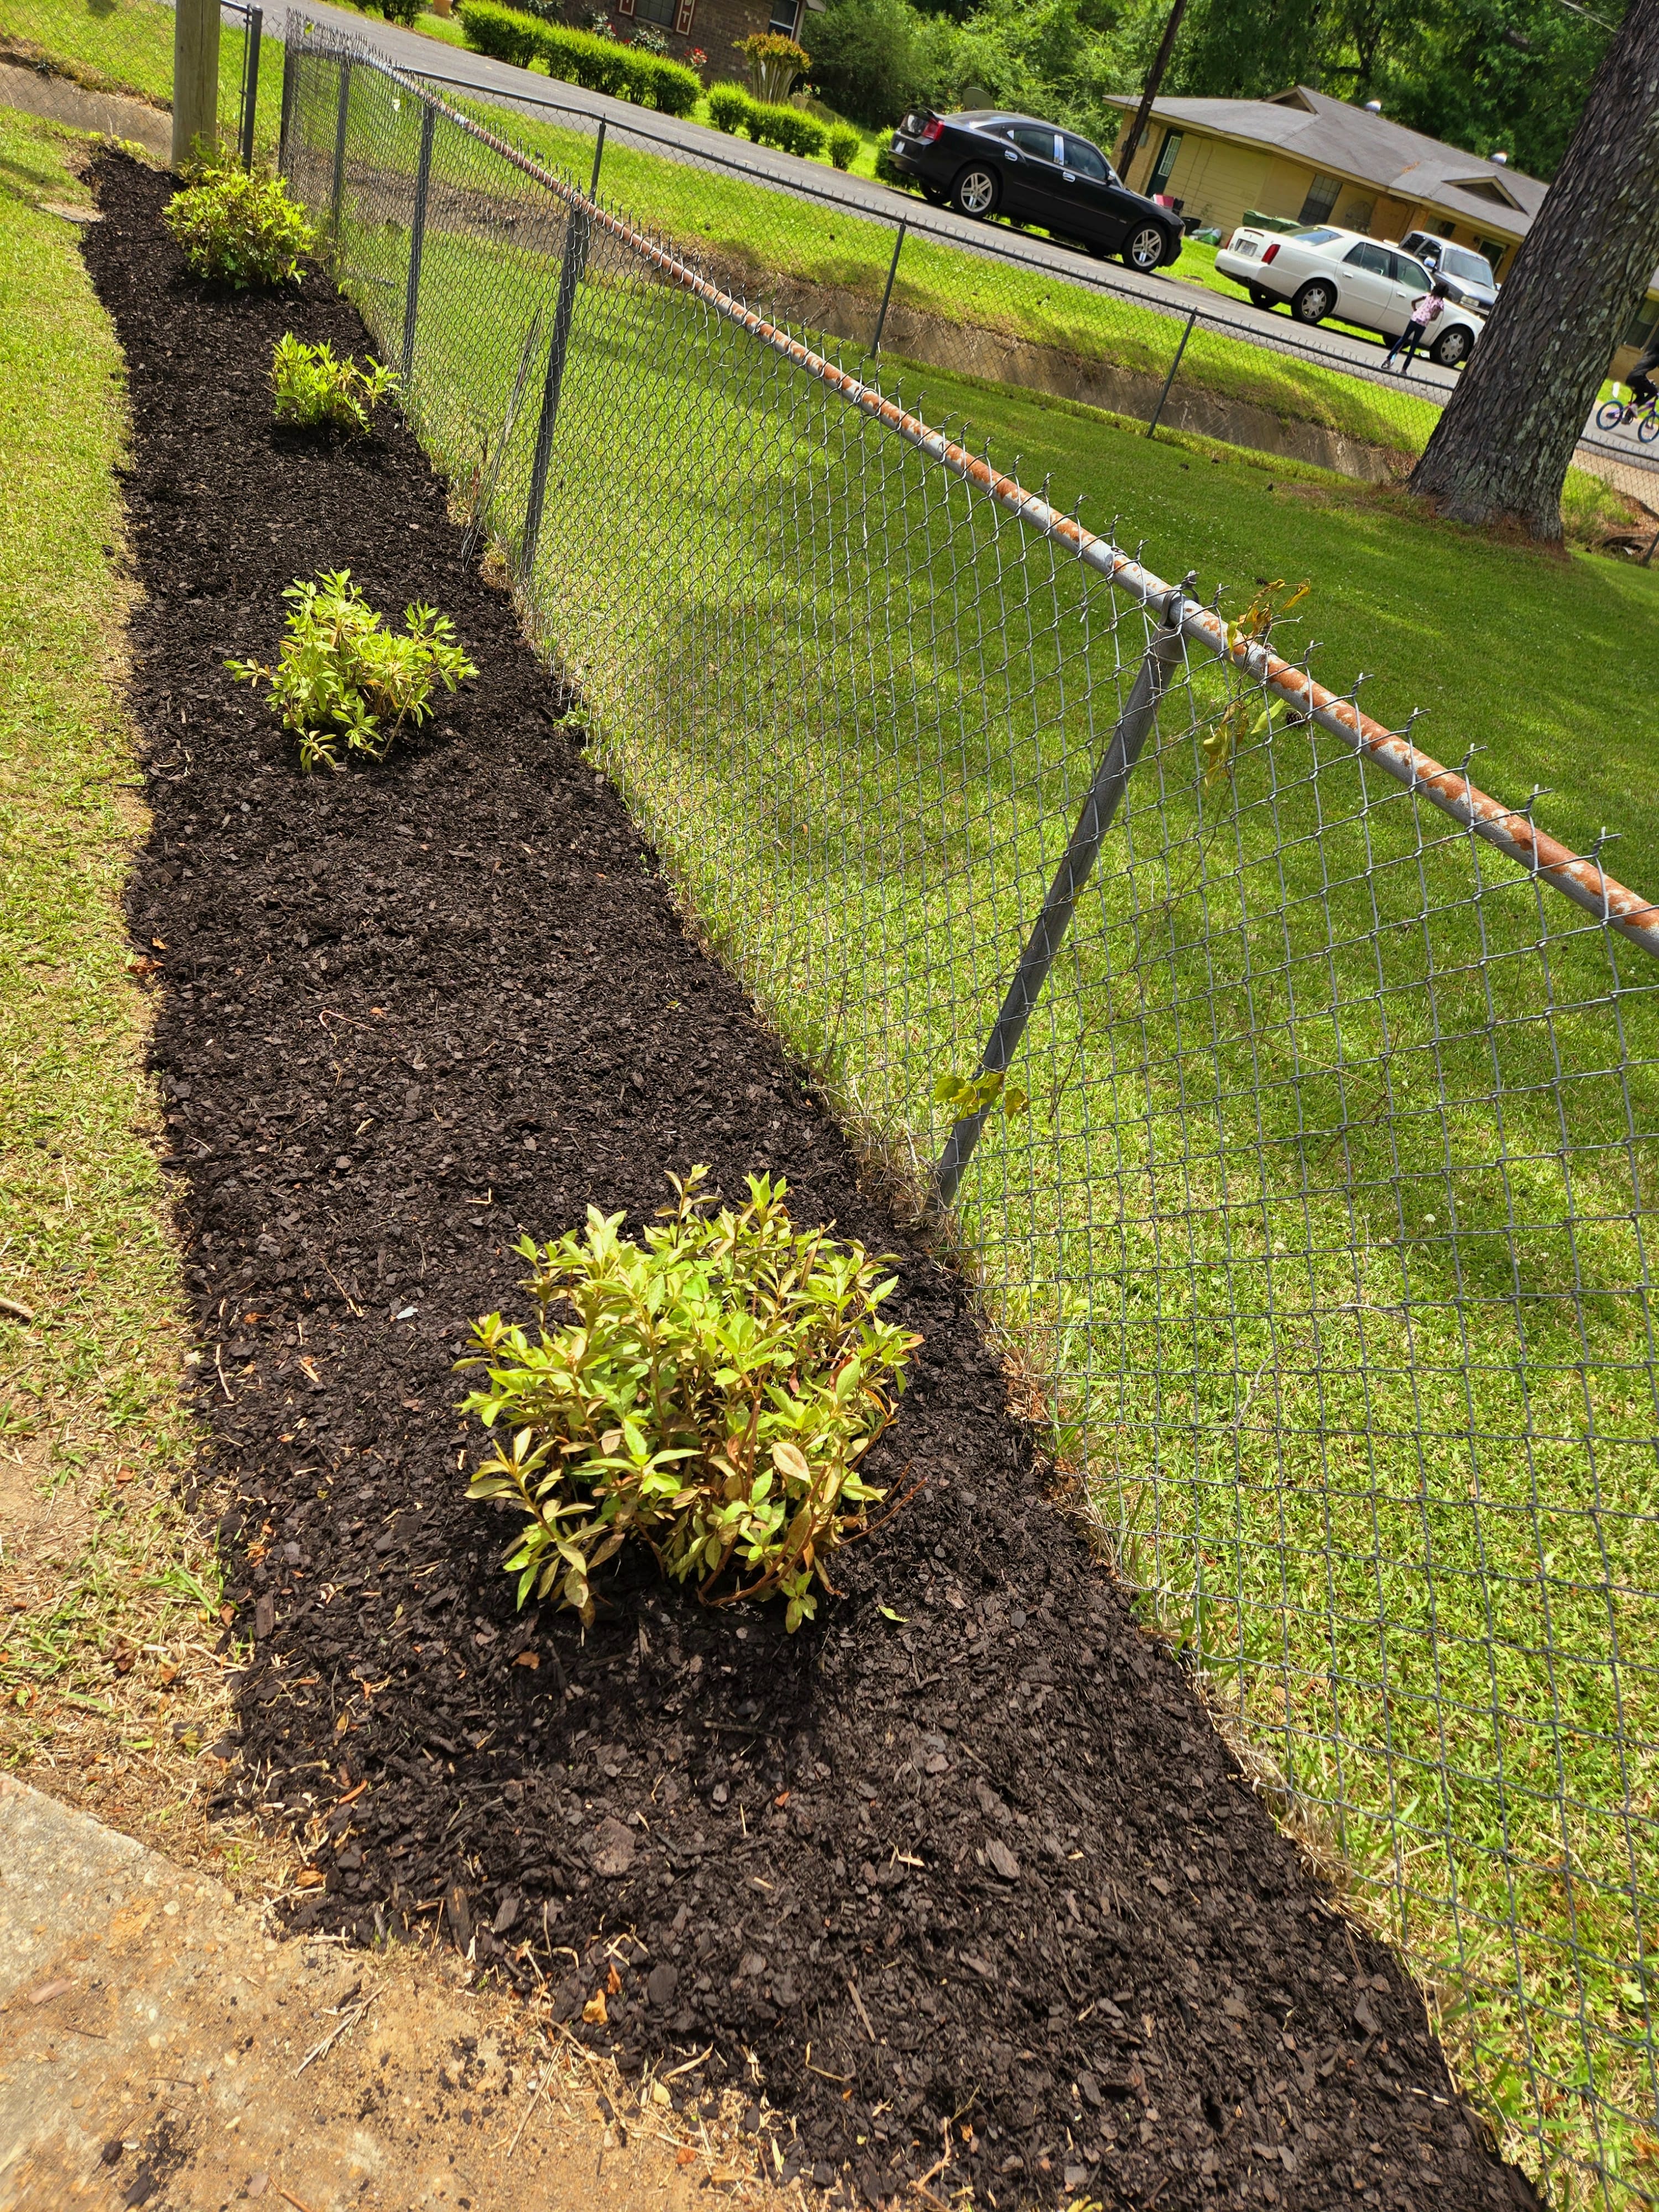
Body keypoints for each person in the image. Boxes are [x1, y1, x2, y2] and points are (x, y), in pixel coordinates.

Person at [1383, 278, 1449, 373]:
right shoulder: (1440, 303)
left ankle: (1388, 358)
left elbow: (1413, 302)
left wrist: (1416, 310)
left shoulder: (1428, 296)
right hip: (1423, 324)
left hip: (1414, 318)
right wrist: (1429, 318)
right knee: (1413, 345)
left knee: (1403, 339)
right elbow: (1435, 317)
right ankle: (1404, 369)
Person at [1624, 332, 1659, 418]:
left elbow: (1640, 370)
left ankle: (1627, 418)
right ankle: (1635, 406)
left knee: (1641, 396)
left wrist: (1647, 380)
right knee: (1654, 392)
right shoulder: (1657, 357)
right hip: (1639, 378)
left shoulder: (1648, 354)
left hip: (1630, 378)